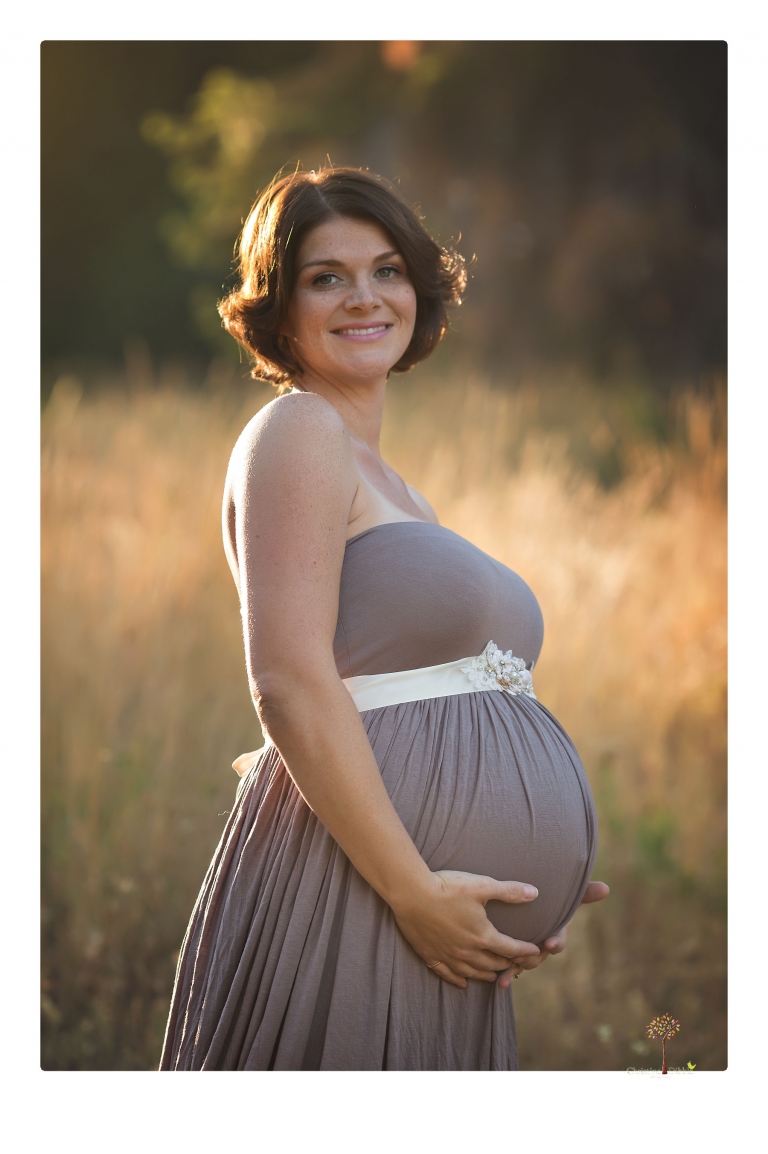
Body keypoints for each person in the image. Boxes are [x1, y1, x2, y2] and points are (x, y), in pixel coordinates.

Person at [160, 167, 608, 1072]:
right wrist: (414, 892)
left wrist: (535, 887)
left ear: (418, 290)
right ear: (279, 308)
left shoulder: (395, 487)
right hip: (361, 890)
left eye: (387, 270)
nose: (364, 297)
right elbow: (287, 682)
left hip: (431, 915)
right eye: (326, 277)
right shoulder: (300, 430)